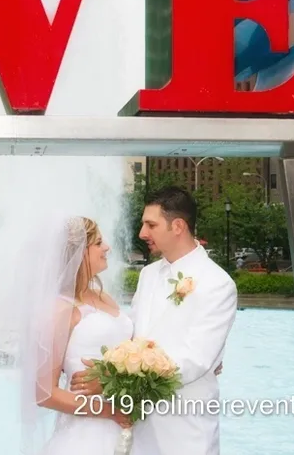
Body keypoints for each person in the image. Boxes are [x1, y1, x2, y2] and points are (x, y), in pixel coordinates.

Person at [71, 186, 238, 455]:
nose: (142, 234)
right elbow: (132, 336)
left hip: (185, 429)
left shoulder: (218, 284)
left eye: (151, 225)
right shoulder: (148, 274)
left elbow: (194, 361)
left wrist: (113, 380)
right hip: (136, 425)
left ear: (178, 226)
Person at [22, 215, 134, 454]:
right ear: (80, 251)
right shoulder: (60, 309)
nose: (107, 247)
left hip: (127, 426)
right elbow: (44, 393)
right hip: (88, 434)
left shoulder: (104, 297)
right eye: (99, 242)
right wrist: (109, 412)